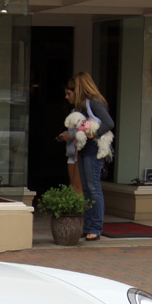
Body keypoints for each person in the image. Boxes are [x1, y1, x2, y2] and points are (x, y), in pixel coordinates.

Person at [61, 72, 113, 241]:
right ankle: (88, 226)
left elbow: (109, 123)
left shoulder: (94, 103)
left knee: (93, 187)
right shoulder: (82, 106)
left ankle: (96, 228)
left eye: (73, 88)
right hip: (83, 148)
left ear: (80, 87)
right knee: (86, 188)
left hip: (93, 149)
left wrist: (95, 134)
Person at [56, 85, 83, 196]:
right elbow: (72, 130)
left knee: (78, 188)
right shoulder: (73, 110)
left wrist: (70, 135)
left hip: (79, 152)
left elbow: (86, 130)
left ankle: (80, 212)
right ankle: (75, 210)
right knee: (73, 187)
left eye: (69, 94)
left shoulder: (84, 111)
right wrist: (64, 135)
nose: (67, 97)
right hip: (71, 152)